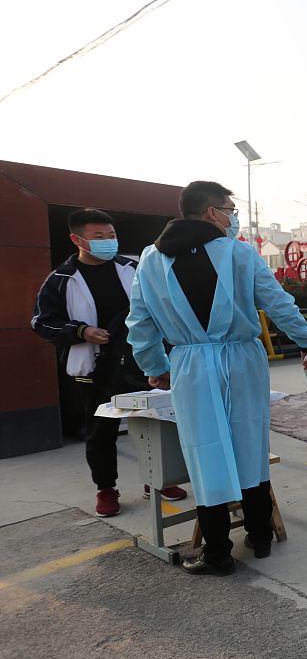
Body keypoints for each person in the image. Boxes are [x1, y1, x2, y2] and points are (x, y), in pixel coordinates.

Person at [126, 182, 307, 575]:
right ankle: (260, 536)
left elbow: (140, 322)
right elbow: (278, 302)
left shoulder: (149, 261)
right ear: (212, 212)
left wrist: (155, 366)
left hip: (191, 364)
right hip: (241, 357)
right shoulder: (239, 253)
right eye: (230, 209)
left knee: (204, 450)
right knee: (250, 444)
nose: (234, 216)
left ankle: (217, 553)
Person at [32, 208, 188, 518]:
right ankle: (106, 489)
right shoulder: (61, 279)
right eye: (99, 237)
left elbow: (160, 308)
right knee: (100, 432)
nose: (108, 242)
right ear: (77, 239)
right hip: (94, 368)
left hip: (140, 362)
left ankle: (157, 481)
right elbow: (41, 322)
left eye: (112, 236)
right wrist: (81, 331)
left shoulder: (133, 268)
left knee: (156, 424)